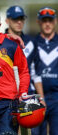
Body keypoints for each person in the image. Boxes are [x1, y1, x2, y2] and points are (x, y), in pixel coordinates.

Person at [5, 5, 45, 102]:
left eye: (22, 19)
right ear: (7, 21)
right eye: (15, 19)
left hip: (28, 96)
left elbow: (36, 74)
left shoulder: (32, 42)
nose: (19, 22)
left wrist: (42, 99)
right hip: (5, 97)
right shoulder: (0, 41)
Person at [31, 7, 58, 135]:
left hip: (56, 99)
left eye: (50, 20)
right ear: (39, 22)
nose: (47, 24)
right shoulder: (32, 44)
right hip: (36, 99)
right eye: (44, 20)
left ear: (55, 21)